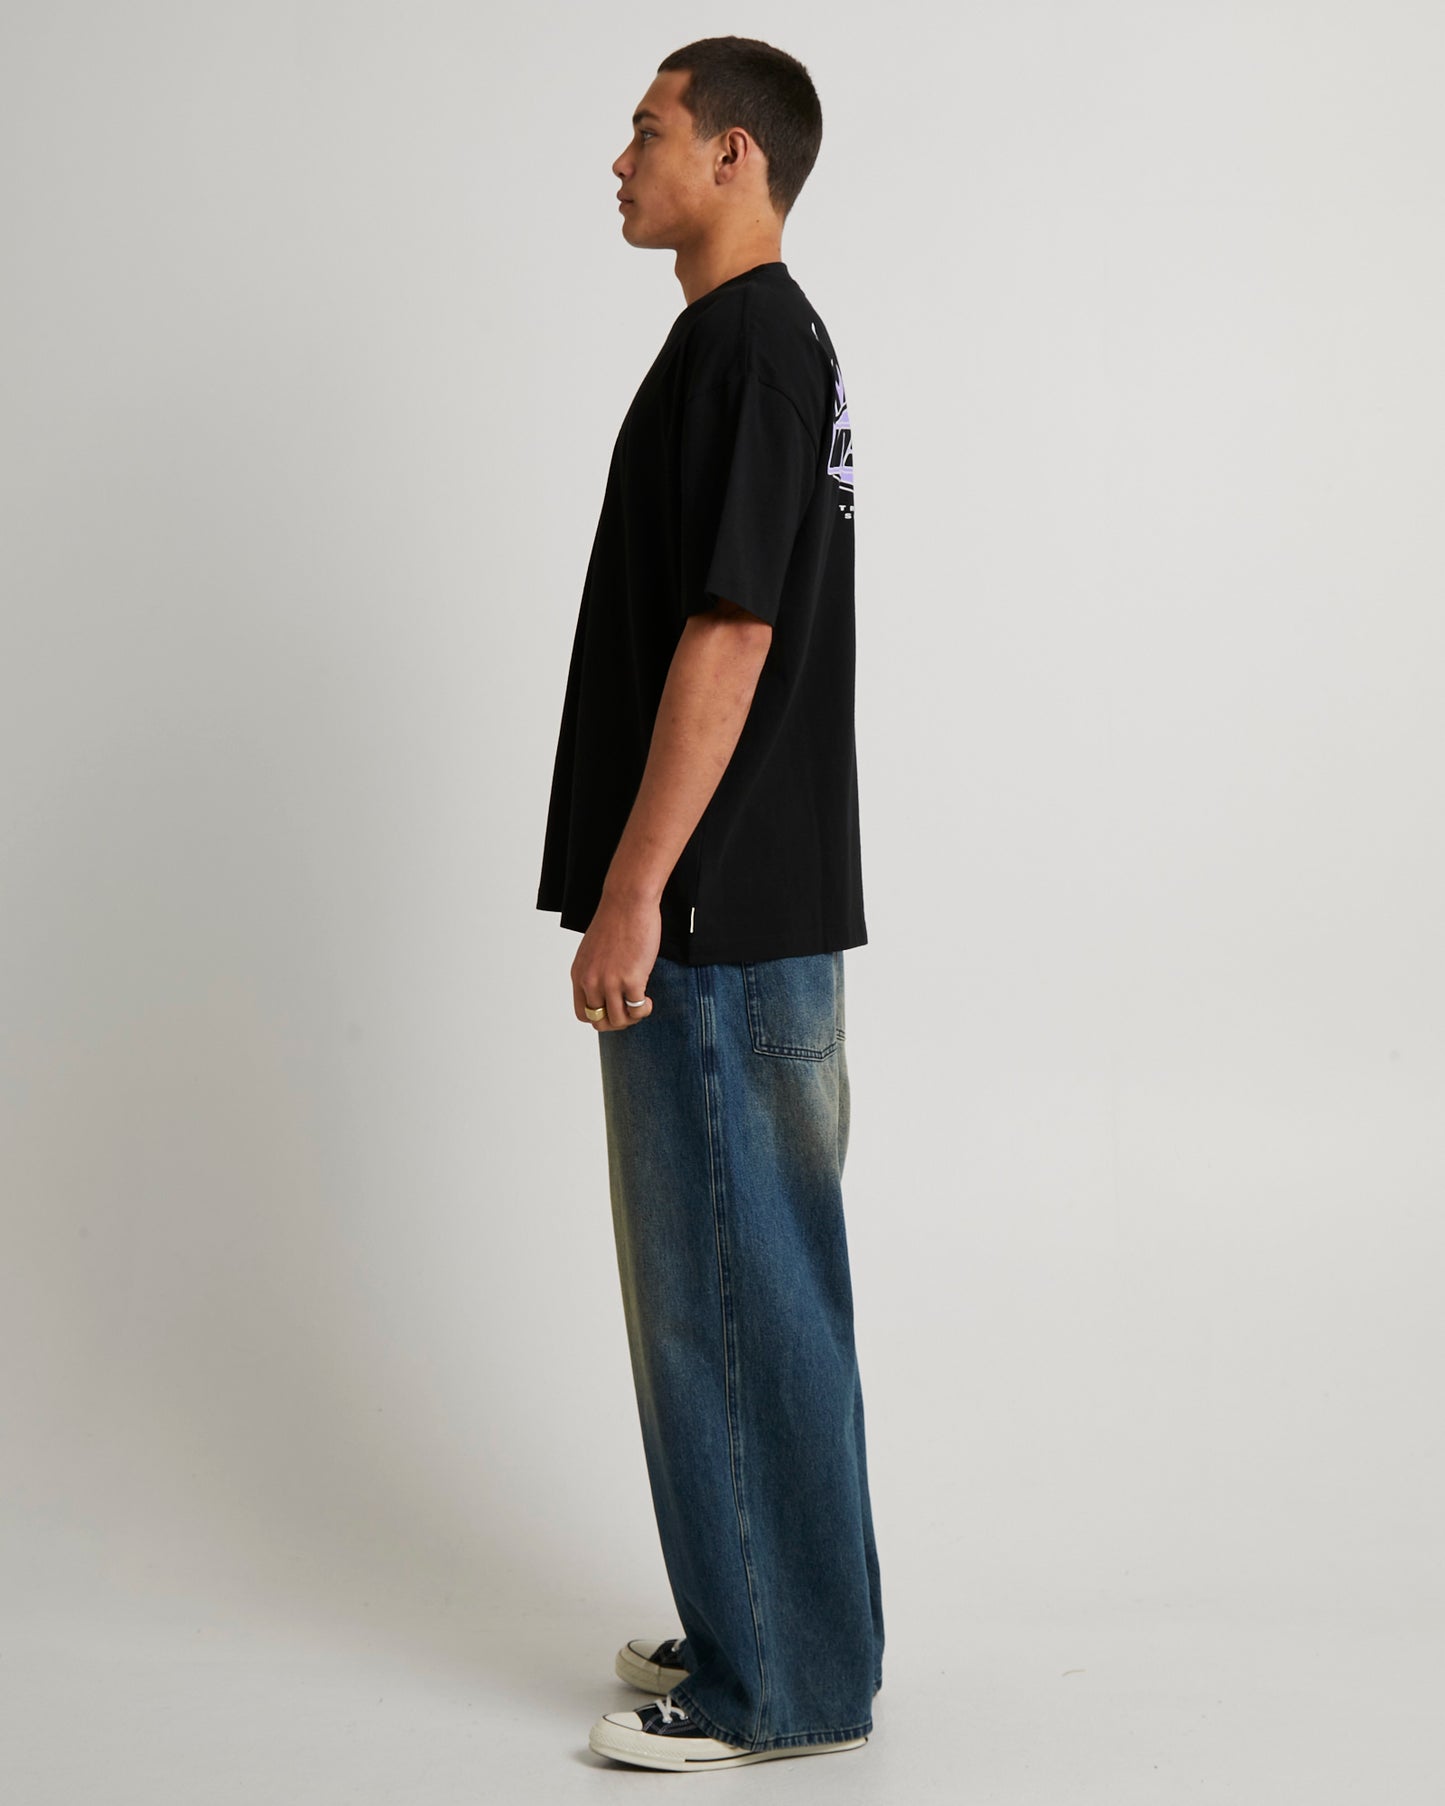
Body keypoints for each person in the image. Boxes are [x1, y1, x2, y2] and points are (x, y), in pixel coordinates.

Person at [535, 36, 884, 1773]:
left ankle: (779, 1683)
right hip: (752, 914)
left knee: (726, 1295)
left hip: (714, 922)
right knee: (757, 1285)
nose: (620, 159)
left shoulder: (748, 345)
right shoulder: (762, 345)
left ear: (733, 156)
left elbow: (732, 633)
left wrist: (635, 890)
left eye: (647, 130)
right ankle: (776, 1614)